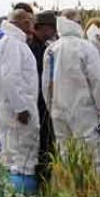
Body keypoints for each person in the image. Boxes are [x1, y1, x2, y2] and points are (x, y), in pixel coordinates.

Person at [42, 10, 100, 174]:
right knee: (89, 154)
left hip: (58, 110)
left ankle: (69, 191)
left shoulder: (51, 49)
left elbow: (45, 84)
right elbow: (98, 81)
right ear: (77, 24)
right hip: (84, 111)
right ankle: (89, 192)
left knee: (65, 152)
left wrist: (51, 107)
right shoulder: (86, 47)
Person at [0, 8, 40, 195]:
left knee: (11, 157)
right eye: (29, 21)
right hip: (17, 114)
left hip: (9, 111)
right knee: (22, 160)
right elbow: (11, 78)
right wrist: (21, 108)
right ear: (23, 23)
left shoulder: (9, 43)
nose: (32, 25)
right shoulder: (13, 44)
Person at [29, 10, 58, 184]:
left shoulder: (42, 47)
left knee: (46, 143)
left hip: (42, 104)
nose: (54, 32)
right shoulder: (34, 49)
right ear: (44, 28)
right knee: (43, 144)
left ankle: (44, 179)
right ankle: (43, 180)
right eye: (52, 28)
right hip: (39, 105)